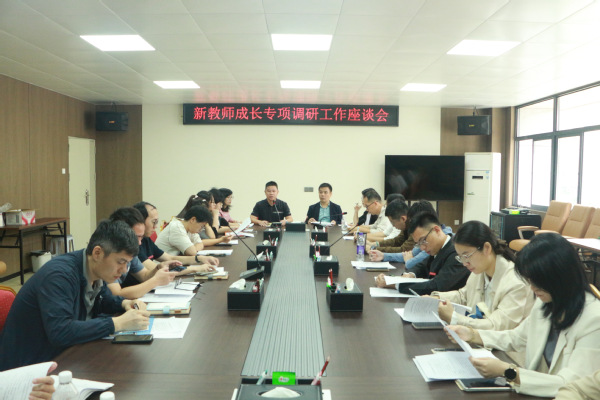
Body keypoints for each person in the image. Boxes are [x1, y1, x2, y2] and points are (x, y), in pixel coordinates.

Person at [446, 233, 600, 398]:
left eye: (538, 281)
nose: (532, 288)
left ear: (560, 277)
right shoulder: (547, 301)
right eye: (530, 280)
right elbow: (517, 337)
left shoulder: (593, 320)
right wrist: (473, 335)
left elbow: (572, 384)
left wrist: (509, 372)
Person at [0, 220, 150, 370]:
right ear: (97, 253)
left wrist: (124, 303)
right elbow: (60, 332)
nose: (124, 270)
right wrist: (117, 324)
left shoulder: (95, 271)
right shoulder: (59, 276)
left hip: (64, 357)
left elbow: (102, 300)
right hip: (29, 368)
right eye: (121, 262)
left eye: (127, 263)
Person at [432, 220, 534, 330]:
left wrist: (455, 318)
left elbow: (497, 326)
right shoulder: (479, 270)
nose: (465, 263)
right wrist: (436, 298)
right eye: (460, 257)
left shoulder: (515, 282)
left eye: (467, 256)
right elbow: (464, 296)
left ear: (487, 248)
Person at [375, 211, 469, 295]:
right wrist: (410, 275)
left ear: (436, 230)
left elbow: (437, 286)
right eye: (418, 244)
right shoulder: (438, 248)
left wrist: (396, 285)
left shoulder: (457, 251)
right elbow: (422, 266)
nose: (422, 248)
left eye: (423, 241)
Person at [107, 207, 178, 299]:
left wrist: (158, 268)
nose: (140, 243)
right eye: (137, 237)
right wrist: (156, 281)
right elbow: (117, 294)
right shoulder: (108, 253)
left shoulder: (130, 251)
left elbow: (144, 275)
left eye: (142, 237)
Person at [132, 201, 219, 273]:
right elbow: (157, 271)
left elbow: (170, 258)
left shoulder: (146, 239)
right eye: (154, 222)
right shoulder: (134, 244)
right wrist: (196, 268)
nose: (156, 226)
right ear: (140, 221)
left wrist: (200, 258)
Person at [369, 200, 450, 270]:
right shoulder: (423, 236)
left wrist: (408, 260)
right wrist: (383, 256)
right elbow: (409, 253)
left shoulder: (432, 240)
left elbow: (411, 262)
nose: (422, 247)